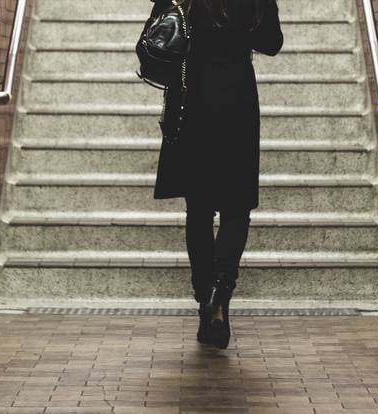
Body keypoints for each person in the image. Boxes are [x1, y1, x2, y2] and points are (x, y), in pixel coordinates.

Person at [149, 0, 283, 349]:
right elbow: (273, 41)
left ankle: (203, 295)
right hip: (237, 96)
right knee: (237, 206)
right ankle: (220, 293)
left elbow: (162, 25)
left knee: (200, 207)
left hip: (193, 95)